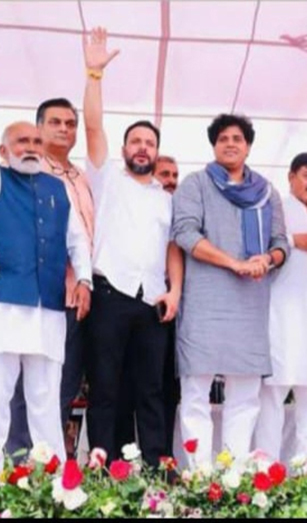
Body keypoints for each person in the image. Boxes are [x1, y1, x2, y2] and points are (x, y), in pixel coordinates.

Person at [0, 46, 92, 465]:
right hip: (1, 306)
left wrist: (85, 280)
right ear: (4, 150)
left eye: (36, 141)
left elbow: (77, 242)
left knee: (45, 399)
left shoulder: (59, 188)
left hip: (49, 309)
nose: (32, 146)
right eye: (23, 141)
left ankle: (52, 480)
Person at [82, 27, 182, 466]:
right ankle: (105, 461)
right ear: (124, 148)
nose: (143, 148)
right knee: (105, 384)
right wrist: (94, 74)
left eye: (150, 143)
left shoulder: (166, 198)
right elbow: (92, 124)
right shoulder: (107, 180)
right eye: (136, 141)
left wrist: (174, 291)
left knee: (152, 388)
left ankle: (158, 463)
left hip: (152, 300)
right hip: (109, 294)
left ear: (157, 153)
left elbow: (173, 249)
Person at [172, 112, 289, 466]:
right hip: (204, 303)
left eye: (237, 138)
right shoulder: (195, 184)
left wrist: (266, 260)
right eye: (223, 138)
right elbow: (185, 234)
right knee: (195, 393)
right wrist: (235, 263)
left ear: (248, 146)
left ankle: (233, 474)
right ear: (214, 145)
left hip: (250, 304)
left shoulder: (268, 192)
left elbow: (282, 242)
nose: (230, 144)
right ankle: (200, 477)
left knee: (245, 395)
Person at [254, 153, 307, 461]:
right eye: (306, 175)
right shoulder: (274, 208)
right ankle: (266, 471)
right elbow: (254, 247)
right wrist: (291, 239)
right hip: (281, 313)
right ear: (291, 178)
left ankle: (305, 471)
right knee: (273, 394)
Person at [115, 154, 181, 457]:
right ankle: (122, 462)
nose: (170, 180)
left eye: (174, 175)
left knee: (162, 391)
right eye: (164, 174)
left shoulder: (175, 211)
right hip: (128, 302)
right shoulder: (129, 204)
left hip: (167, 311)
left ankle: (160, 460)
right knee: (124, 389)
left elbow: (176, 252)